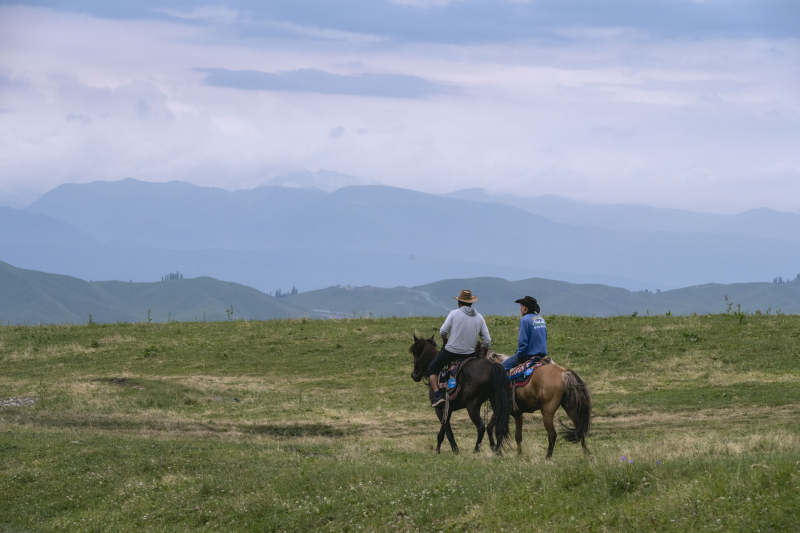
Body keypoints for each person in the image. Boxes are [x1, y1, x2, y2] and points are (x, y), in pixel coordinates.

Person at [426, 289, 491, 407]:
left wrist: (445, 340)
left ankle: (437, 395)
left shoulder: (454, 313)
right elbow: (487, 340)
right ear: (471, 302)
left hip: (451, 351)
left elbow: (443, 331)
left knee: (432, 368)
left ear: (459, 302)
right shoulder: (480, 317)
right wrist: (483, 353)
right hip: (470, 354)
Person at [502, 296, 547, 371]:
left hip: (529, 356)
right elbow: (545, 337)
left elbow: (523, 342)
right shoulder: (541, 319)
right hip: (542, 355)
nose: (520, 308)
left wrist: (519, 355)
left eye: (522, 306)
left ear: (526, 309)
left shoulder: (524, 320)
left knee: (501, 368)